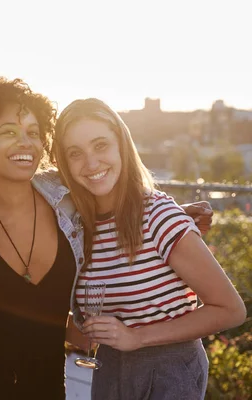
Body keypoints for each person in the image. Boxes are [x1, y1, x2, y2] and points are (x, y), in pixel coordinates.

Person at [0, 71, 216, 399]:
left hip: (48, 389)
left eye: (33, 132)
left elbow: (113, 191)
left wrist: (176, 211)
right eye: (8, 132)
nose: (25, 142)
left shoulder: (68, 200)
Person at [53, 98, 245, 399]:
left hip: (168, 372)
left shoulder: (159, 215)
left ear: (121, 146)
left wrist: (137, 337)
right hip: (109, 369)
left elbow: (231, 310)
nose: (90, 164)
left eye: (100, 145)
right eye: (75, 153)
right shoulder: (76, 226)